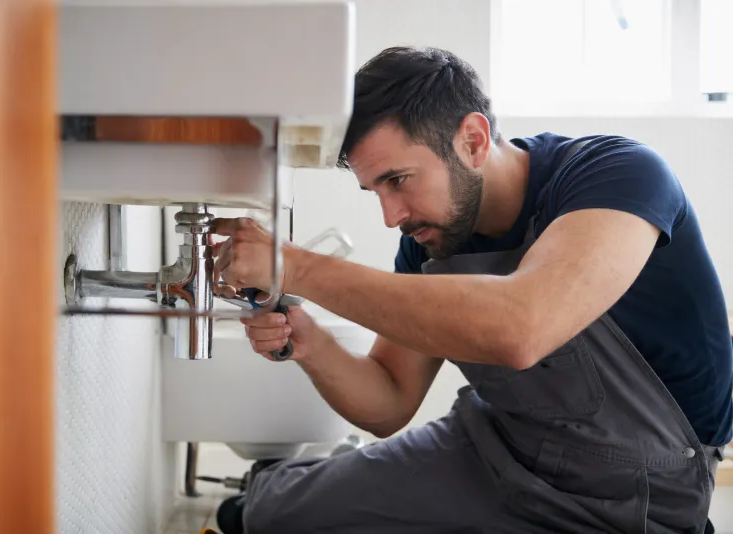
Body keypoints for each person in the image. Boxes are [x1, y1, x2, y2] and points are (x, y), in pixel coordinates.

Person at [210, 46, 732, 533]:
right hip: (491, 447)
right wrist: (310, 342)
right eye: (374, 191)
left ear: (474, 141)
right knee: (266, 513)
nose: (391, 216)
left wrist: (296, 267)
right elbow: (389, 402)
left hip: (633, 489)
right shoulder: (430, 242)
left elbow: (522, 327)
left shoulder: (616, 176)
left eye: (398, 180)